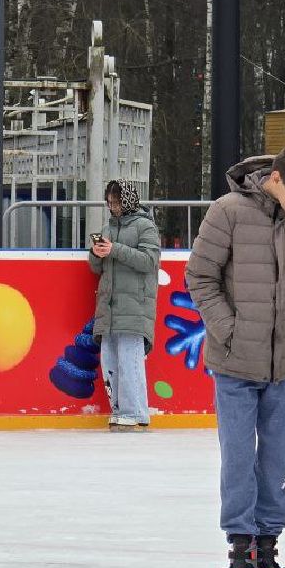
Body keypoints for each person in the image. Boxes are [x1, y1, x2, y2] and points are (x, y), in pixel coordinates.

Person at [185, 141, 285, 568]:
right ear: (275, 178)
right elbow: (200, 276)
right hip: (234, 364)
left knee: (277, 462)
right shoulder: (227, 211)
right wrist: (230, 329)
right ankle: (240, 554)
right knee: (237, 459)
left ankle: (268, 552)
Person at [88, 180, 161, 432]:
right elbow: (97, 268)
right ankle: (120, 410)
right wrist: (96, 254)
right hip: (109, 306)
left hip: (135, 306)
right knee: (109, 361)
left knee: (130, 361)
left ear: (128, 200)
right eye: (109, 202)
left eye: (116, 202)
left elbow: (149, 261)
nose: (113, 207)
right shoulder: (108, 227)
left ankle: (135, 412)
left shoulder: (146, 227)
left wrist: (115, 249)